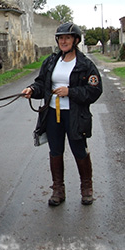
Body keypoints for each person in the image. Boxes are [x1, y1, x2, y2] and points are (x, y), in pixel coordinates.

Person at [22, 22, 102, 206]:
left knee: (79, 151)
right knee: (55, 151)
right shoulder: (51, 62)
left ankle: (86, 188)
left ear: (76, 40)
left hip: (75, 116)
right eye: (61, 38)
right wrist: (32, 90)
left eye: (67, 37)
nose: (63, 41)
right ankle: (58, 190)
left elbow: (95, 90)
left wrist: (71, 92)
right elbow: (42, 84)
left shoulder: (85, 65)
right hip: (52, 114)